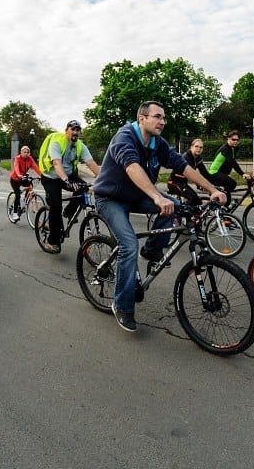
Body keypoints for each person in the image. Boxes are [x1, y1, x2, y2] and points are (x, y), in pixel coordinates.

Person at [94, 101, 227, 333]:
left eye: (164, 118)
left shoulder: (158, 143)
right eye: (157, 116)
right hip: (111, 198)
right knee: (128, 245)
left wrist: (212, 189)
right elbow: (132, 167)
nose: (162, 121)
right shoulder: (124, 137)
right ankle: (122, 306)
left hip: (137, 195)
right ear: (141, 118)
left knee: (175, 205)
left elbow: (183, 167)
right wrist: (156, 196)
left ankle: (153, 250)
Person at [39, 120, 101, 252]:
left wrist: (104, 180)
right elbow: (56, 163)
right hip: (51, 176)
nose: (75, 132)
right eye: (73, 129)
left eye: (78, 130)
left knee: (83, 187)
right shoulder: (57, 142)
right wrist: (67, 181)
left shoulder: (80, 145)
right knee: (55, 206)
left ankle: (68, 212)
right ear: (66, 130)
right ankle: (52, 242)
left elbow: (91, 163)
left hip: (67, 174)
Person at [168, 138, 211, 205]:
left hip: (183, 183)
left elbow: (205, 174)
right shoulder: (186, 158)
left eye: (201, 147)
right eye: (196, 146)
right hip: (174, 183)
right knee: (192, 198)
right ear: (191, 147)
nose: (198, 149)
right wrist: (202, 186)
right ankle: (181, 213)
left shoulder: (198, 159)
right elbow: (192, 176)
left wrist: (213, 186)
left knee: (197, 200)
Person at [208, 130, 249, 199]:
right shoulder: (225, 149)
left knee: (227, 199)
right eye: (233, 139)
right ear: (228, 139)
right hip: (215, 172)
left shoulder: (234, 148)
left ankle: (220, 197)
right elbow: (232, 162)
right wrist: (242, 174)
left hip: (222, 173)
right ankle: (216, 193)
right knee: (232, 184)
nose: (236, 141)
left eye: (237, 140)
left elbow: (232, 161)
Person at [9, 146, 42, 221]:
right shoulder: (18, 158)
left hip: (23, 178)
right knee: (17, 194)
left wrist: (42, 176)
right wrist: (18, 174)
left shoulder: (29, 159)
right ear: (21, 152)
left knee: (30, 185)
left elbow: (35, 167)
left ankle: (24, 200)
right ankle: (14, 214)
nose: (26, 153)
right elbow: (16, 166)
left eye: (27, 152)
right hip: (15, 179)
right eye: (24, 152)